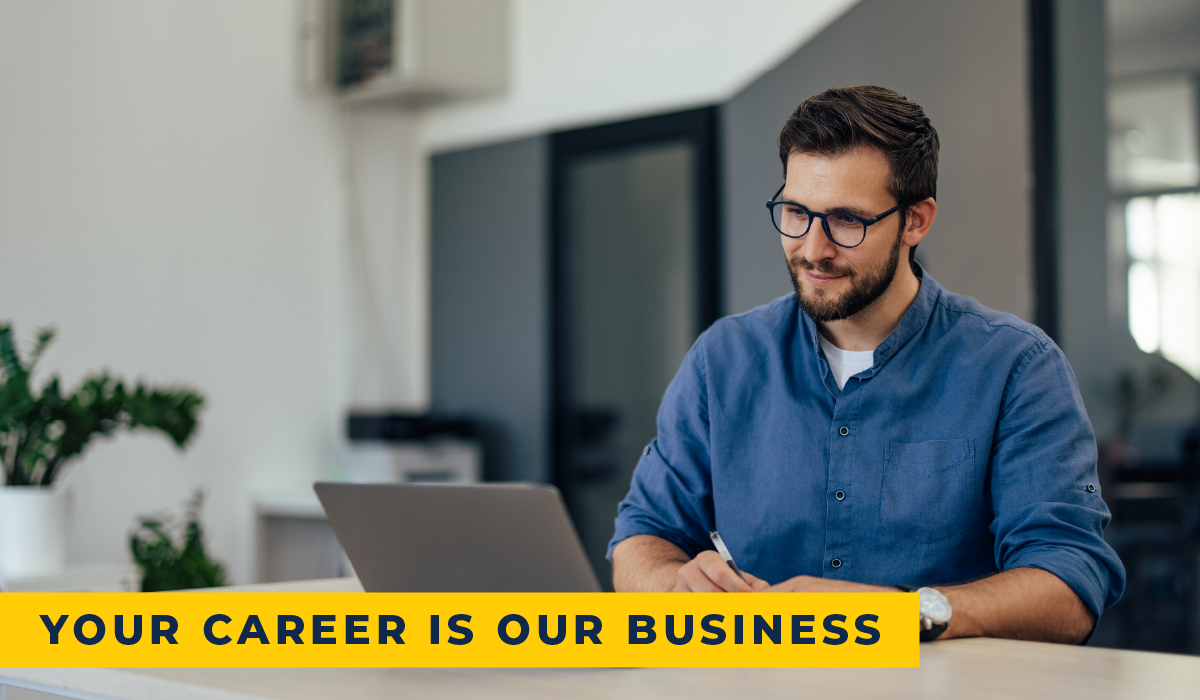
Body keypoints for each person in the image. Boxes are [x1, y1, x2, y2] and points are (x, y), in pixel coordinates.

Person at [607, 86, 1124, 643]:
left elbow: (1070, 587)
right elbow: (642, 537)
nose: (813, 248)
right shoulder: (722, 360)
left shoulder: (1017, 367)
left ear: (916, 221)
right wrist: (673, 587)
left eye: (847, 221)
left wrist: (907, 614)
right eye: (796, 213)